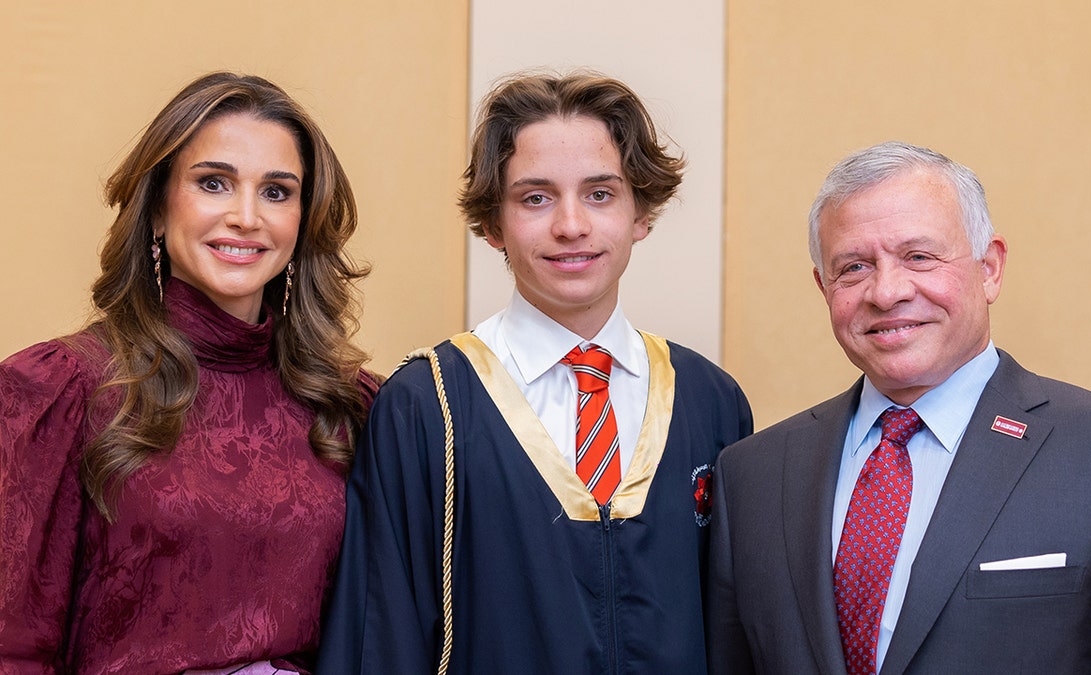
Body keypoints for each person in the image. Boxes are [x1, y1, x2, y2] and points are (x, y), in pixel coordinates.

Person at [706, 141, 1091, 674]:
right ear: (824, 288)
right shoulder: (751, 475)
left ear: (989, 269)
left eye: (919, 256)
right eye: (853, 267)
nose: (887, 291)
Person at [318, 71, 753, 674]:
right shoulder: (427, 404)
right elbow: (382, 632)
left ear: (641, 214)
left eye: (601, 194)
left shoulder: (711, 400)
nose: (570, 225)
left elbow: (738, 630)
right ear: (493, 224)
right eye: (535, 197)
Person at [0, 72, 378, 674]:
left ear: (304, 222)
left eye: (277, 192)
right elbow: (12, 647)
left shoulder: (351, 405)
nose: (246, 217)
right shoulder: (61, 390)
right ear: (156, 207)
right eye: (213, 183)